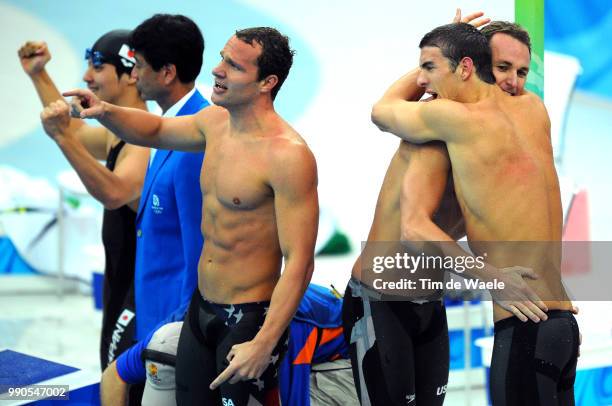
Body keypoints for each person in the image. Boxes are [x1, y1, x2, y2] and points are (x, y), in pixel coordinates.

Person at [66, 26, 318, 405]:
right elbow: (155, 128)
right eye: (221, 58)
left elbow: (299, 261)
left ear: (267, 82)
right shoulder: (215, 124)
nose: (217, 70)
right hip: (202, 313)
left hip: (247, 321)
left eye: (233, 66)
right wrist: (104, 111)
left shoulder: (288, 156)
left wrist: (263, 343)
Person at [341, 13, 547, 406]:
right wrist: (444, 53)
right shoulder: (436, 127)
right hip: (381, 300)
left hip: (430, 302)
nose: (512, 82)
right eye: (502, 67)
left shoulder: (497, 132)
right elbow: (383, 111)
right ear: (474, 67)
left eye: (521, 72)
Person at [19, 30, 149, 370]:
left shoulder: (143, 138)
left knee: (120, 384)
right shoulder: (120, 131)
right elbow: (74, 131)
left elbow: (116, 192)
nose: (87, 77)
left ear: (131, 72)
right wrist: (39, 74)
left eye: (97, 65)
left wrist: (62, 137)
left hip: (141, 295)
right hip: (121, 287)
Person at [100, 285, 353, 406]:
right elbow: (114, 377)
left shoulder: (289, 328)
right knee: (164, 346)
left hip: (338, 364)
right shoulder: (196, 311)